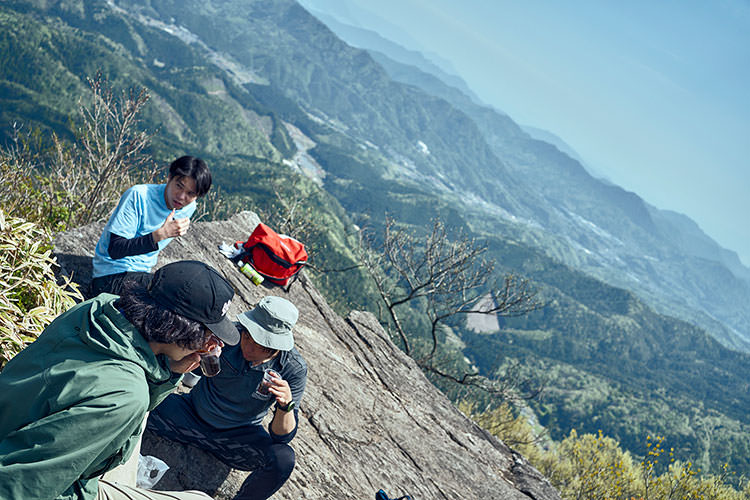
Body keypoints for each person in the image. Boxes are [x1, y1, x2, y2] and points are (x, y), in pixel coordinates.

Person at [0, 260, 241, 500]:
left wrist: (172, 373)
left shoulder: (100, 308)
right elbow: (22, 486)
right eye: (209, 337)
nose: (212, 346)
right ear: (180, 330)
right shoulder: (125, 395)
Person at [146, 296, 308, 500]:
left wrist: (285, 405)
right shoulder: (228, 335)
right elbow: (175, 368)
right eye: (247, 336)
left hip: (237, 438)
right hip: (190, 414)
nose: (248, 347)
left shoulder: (292, 368)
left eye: (260, 345)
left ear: (276, 345)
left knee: (283, 459)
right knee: (142, 399)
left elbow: (282, 437)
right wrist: (198, 354)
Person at [91, 155, 212, 296]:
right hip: (110, 275)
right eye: (179, 186)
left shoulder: (189, 207)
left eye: (191, 193)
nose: (181, 197)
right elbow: (115, 249)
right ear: (169, 177)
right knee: (175, 297)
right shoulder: (139, 196)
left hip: (142, 274)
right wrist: (159, 235)